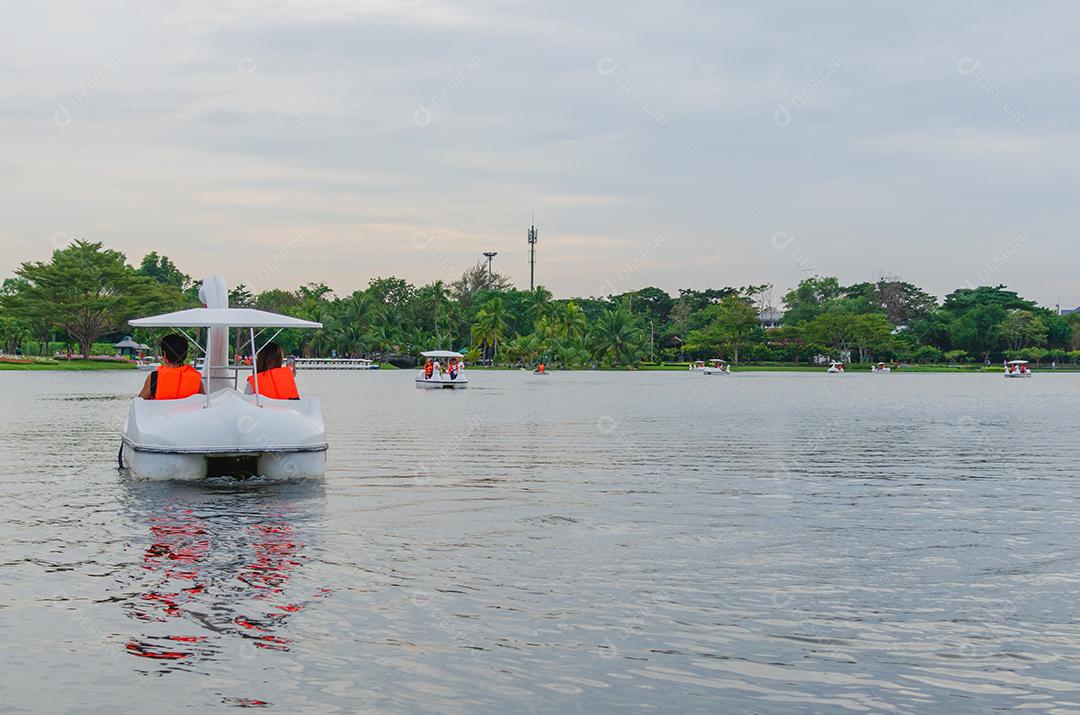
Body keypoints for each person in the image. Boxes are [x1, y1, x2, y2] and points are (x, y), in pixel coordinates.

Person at [139, 334, 205, 400]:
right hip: (189, 410)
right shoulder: (196, 378)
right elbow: (203, 402)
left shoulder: (154, 377)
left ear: (164, 354)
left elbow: (140, 402)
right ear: (185, 354)